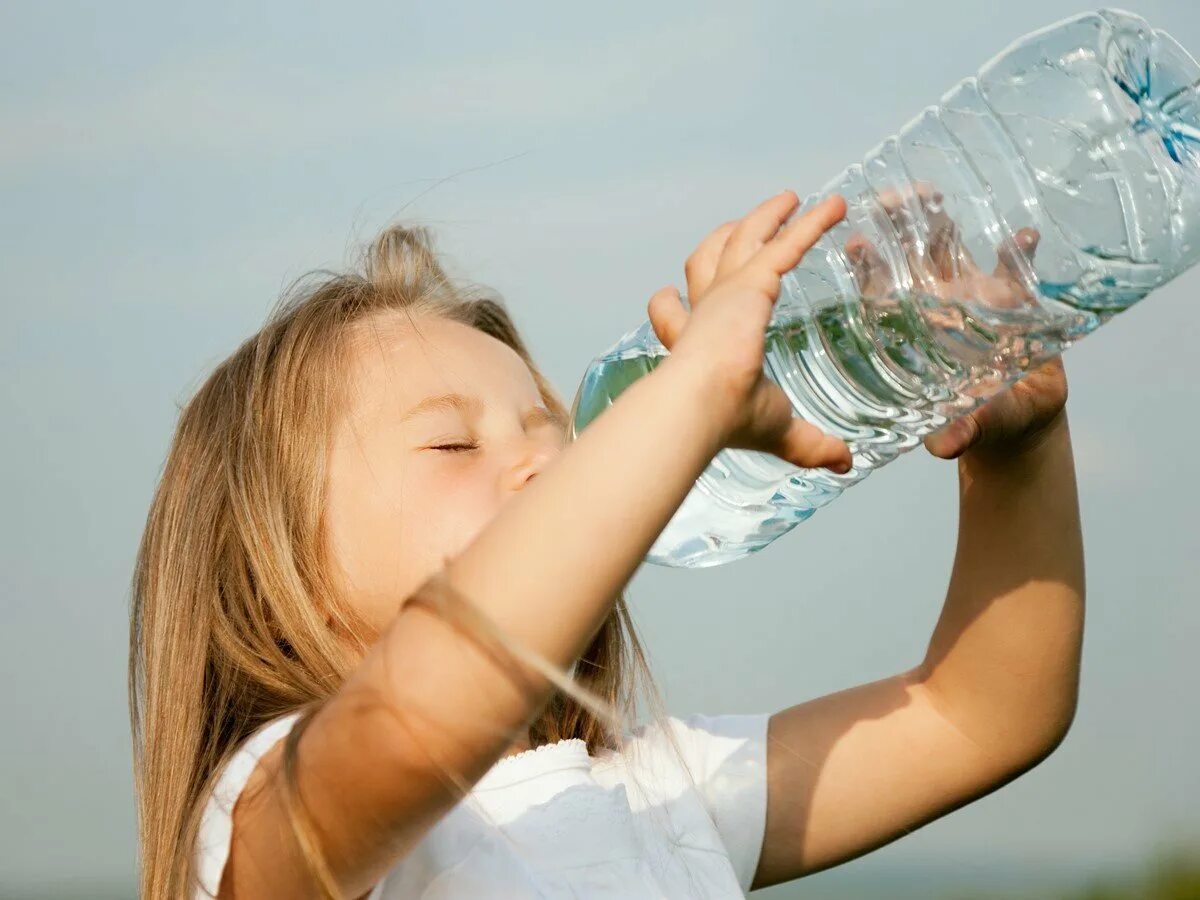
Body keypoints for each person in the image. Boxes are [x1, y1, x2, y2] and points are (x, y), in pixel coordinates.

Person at [128, 188, 1083, 899]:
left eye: (555, 436)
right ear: (276, 571)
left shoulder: (658, 797)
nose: (551, 470)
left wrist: (1019, 457)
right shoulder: (270, 819)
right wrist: (697, 386)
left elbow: (977, 716)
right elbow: (425, 707)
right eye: (455, 443)